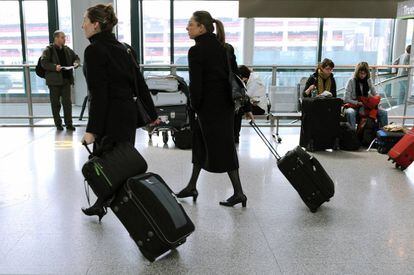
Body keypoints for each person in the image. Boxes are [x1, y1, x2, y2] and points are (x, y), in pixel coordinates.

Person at [80, 4, 158, 219]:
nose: (82, 25)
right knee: (121, 163)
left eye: (85, 21)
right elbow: (139, 82)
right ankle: (101, 203)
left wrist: (92, 130)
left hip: (109, 117)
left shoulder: (94, 50)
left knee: (108, 165)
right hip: (126, 116)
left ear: (96, 25)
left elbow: (98, 94)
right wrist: (151, 114)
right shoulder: (124, 47)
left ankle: (138, 212)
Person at [175, 11, 247, 207]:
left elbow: (196, 84)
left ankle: (239, 192)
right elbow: (236, 76)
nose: (187, 28)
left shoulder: (196, 51)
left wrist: (194, 106)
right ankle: (191, 186)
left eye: (190, 24)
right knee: (200, 142)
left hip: (208, 107)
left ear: (202, 28)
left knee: (223, 148)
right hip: (225, 106)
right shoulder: (226, 48)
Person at [41, 30, 80, 131]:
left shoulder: (67, 49)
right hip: (54, 82)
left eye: (64, 37)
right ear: (56, 38)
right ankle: (58, 124)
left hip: (66, 80)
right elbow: (44, 63)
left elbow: (76, 57)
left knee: (67, 103)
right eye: (62, 37)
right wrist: (54, 67)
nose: (64, 39)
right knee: (55, 103)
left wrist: (76, 63)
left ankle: (69, 124)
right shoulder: (48, 50)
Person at [344, 62, 388, 129]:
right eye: (360, 73)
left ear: (367, 73)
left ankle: (383, 135)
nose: (362, 75)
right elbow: (346, 99)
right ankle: (352, 136)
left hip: (365, 106)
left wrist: (375, 102)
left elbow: (375, 94)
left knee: (384, 112)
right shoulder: (351, 81)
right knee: (350, 112)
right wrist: (357, 103)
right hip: (353, 106)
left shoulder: (368, 81)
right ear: (357, 72)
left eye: (364, 73)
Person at [234, 65, 264, 143]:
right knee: (238, 108)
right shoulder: (251, 79)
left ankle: (235, 135)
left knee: (238, 109)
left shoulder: (255, 80)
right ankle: (235, 135)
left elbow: (247, 95)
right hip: (252, 104)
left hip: (258, 107)